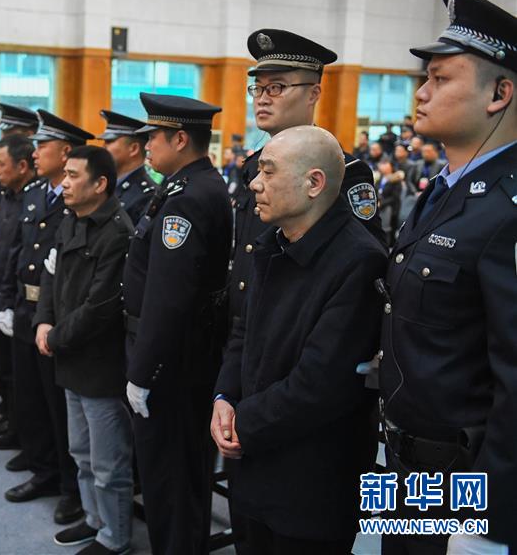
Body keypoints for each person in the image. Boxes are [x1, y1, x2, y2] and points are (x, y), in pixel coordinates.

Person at [379, 0, 517, 554]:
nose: (421, 92)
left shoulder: (506, 211)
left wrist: (488, 522)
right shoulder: (444, 191)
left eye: (440, 78)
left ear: (499, 94)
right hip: (403, 464)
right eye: (424, 78)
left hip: (461, 484)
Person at [211, 126, 386, 554]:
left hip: (310, 483)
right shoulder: (273, 243)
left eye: (268, 172)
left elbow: (322, 385)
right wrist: (224, 397)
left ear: (314, 183)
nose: (255, 183)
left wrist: (242, 423)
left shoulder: (359, 261)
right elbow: (244, 330)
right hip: (254, 460)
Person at [123, 93, 232, 554]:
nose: (147, 144)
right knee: (171, 476)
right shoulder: (185, 187)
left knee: (172, 479)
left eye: (154, 136)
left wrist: (144, 372)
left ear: (180, 139)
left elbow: (168, 298)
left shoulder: (190, 198)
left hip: (172, 364)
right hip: (177, 356)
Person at [228, 29, 384, 325]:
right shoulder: (252, 166)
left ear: (313, 93)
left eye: (276, 88)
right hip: (242, 326)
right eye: (257, 89)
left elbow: (364, 265)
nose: (262, 99)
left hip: (293, 327)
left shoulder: (343, 171)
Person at [34, 145, 135, 555]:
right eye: (65, 175)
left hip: (99, 365)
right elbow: (51, 274)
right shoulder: (70, 220)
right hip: (70, 357)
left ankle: (115, 537)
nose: (65, 184)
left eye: (73, 176)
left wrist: (54, 337)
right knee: (81, 452)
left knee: (109, 463)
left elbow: (101, 308)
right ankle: (94, 520)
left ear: (100, 184)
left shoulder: (118, 232)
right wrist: (43, 320)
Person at [0, 109, 91, 526]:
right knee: (30, 398)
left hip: (55, 316)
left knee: (59, 409)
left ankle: (70, 487)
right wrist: (9, 301)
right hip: (26, 307)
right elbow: (19, 250)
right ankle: (43, 469)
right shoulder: (36, 192)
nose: (35, 153)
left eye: (43, 146)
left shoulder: (78, 199)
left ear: (65, 151)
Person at [0, 102, 39, 445]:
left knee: (19, 375)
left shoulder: (33, 197)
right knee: (2, 366)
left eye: (2, 164)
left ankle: (18, 429)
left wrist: (11, 302)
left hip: (16, 298)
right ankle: (9, 417)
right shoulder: (7, 192)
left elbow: (23, 255)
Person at [97, 110, 156, 225]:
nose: (103, 147)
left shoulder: (146, 195)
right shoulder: (104, 185)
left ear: (133, 149)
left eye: (109, 141)